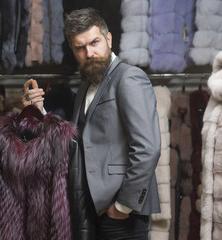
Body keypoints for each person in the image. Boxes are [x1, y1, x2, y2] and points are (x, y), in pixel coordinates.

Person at [22, 7, 161, 240]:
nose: (89, 53)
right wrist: (38, 112)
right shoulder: (86, 86)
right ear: (73, 50)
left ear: (108, 39)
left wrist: (123, 207)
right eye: (80, 47)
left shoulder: (129, 78)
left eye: (95, 42)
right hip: (89, 209)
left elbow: (148, 149)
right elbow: (75, 141)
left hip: (120, 213)